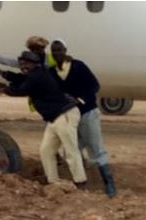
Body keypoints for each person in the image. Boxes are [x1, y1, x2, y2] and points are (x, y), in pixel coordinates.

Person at [0, 51, 87, 187]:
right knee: (46, 150)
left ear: (34, 64)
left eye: (26, 64)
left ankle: (80, 182)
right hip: (55, 118)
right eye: (21, 64)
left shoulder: (37, 76)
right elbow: (19, 79)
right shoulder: (35, 74)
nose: (23, 67)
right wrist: (0, 72)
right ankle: (53, 181)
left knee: (71, 151)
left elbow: (21, 89)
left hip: (64, 115)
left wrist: (2, 89)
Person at [49, 39, 116, 198]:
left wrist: (79, 99)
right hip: (69, 116)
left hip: (86, 112)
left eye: (59, 50)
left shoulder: (78, 66)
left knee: (95, 146)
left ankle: (109, 183)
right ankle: (81, 181)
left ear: (65, 50)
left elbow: (94, 86)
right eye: (54, 50)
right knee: (72, 148)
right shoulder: (52, 72)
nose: (57, 53)